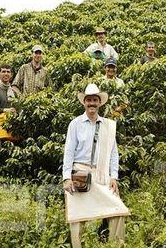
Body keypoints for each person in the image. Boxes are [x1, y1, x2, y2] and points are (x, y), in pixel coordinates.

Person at [62, 83, 130, 248]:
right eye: (89, 100)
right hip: (80, 173)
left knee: (118, 209)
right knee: (77, 218)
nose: (92, 103)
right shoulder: (75, 124)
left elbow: (114, 153)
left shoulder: (108, 125)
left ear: (100, 103)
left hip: (101, 175)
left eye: (95, 100)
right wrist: (66, 178)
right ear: (84, 102)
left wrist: (114, 176)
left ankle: (116, 245)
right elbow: (69, 152)